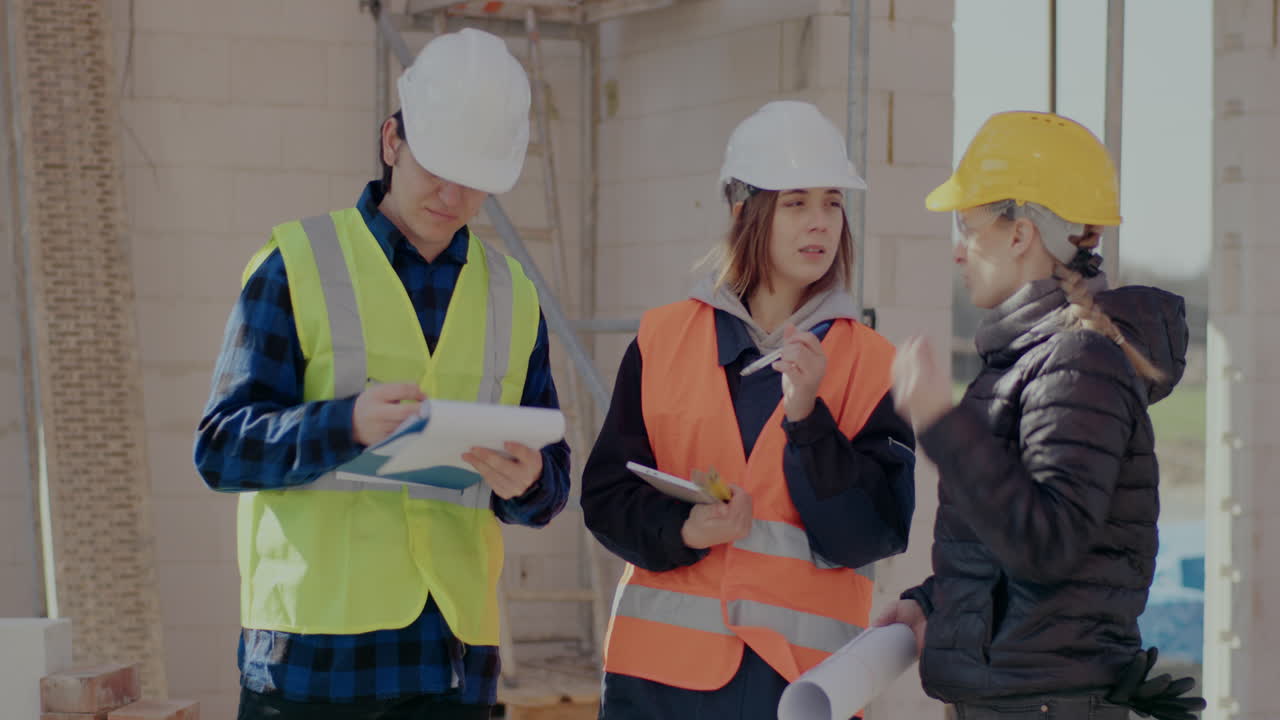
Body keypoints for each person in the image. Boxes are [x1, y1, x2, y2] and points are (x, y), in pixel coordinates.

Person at [194, 28, 571, 720]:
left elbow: (549, 483)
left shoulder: (513, 295)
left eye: (475, 179)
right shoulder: (295, 264)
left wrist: (529, 484)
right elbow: (220, 449)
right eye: (437, 166)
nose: (452, 194)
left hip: (451, 665)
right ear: (392, 141)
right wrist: (345, 424)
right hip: (311, 666)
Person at [580, 100, 917, 719]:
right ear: (744, 210)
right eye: (795, 203)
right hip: (655, 688)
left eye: (832, 203)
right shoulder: (662, 340)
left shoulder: (872, 365)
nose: (820, 223)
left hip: (797, 692)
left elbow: (872, 533)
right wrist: (683, 529)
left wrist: (810, 421)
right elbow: (605, 500)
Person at [878, 111, 1205, 720]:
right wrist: (938, 602)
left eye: (967, 226)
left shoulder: (1079, 361)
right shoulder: (1034, 359)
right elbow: (1015, 550)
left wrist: (940, 423)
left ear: (1020, 234)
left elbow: (1047, 543)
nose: (958, 251)